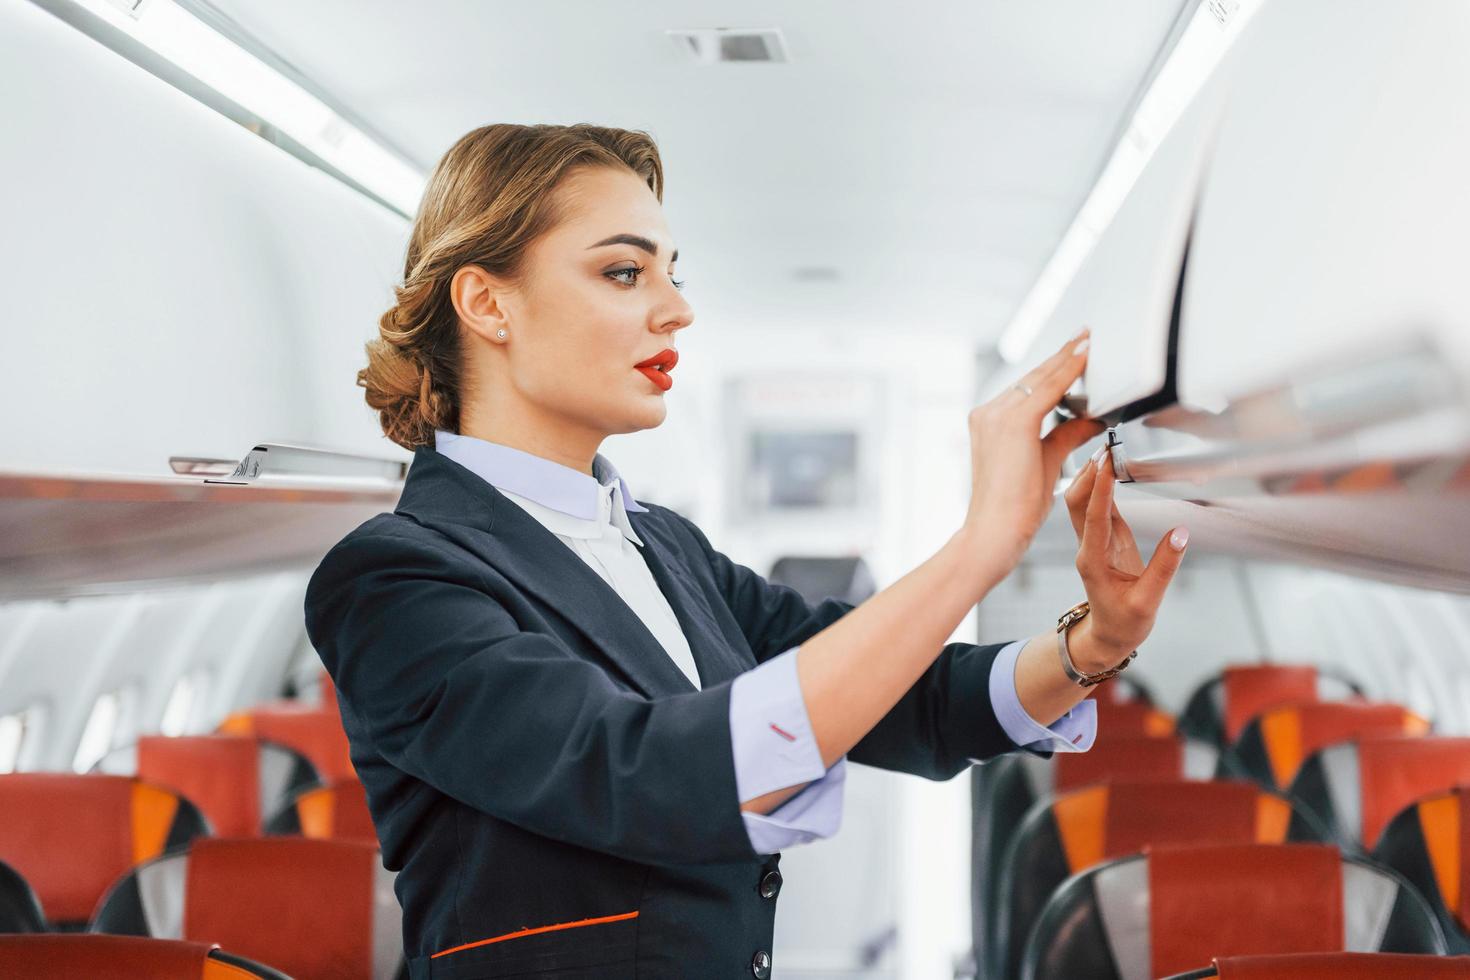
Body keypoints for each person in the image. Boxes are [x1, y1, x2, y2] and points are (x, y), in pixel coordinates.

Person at [303, 123, 1188, 979]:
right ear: (487, 302)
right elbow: (637, 771)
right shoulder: (393, 578)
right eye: (624, 271)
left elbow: (904, 696)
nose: (678, 309)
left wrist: (1091, 646)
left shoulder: (661, 544)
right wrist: (978, 549)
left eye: (672, 274)